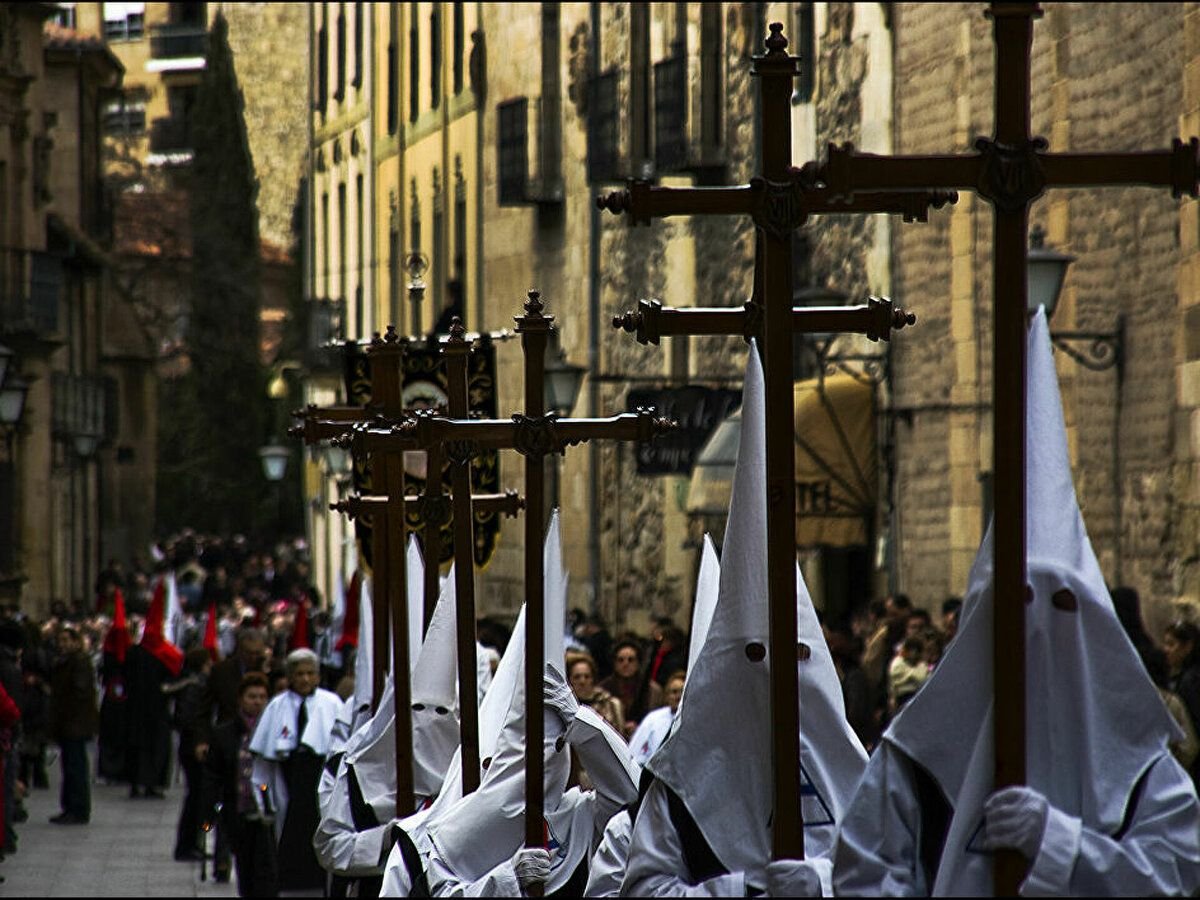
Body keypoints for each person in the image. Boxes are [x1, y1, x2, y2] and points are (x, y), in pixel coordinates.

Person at [833, 308, 1200, 896]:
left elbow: (1176, 875)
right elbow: (868, 875)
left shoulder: (1141, 770)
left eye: (1057, 607)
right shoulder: (914, 763)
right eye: (1016, 607)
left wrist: (1059, 844)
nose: (1034, 633)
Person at [623, 344, 867, 897]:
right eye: (755, 656)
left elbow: (896, 875)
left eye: (797, 657)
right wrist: (741, 891)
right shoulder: (680, 784)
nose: (777, 677)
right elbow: (642, 889)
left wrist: (823, 883)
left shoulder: (853, 772)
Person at [250, 647, 343, 893]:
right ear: (290, 676)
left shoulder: (331, 703)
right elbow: (263, 761)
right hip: (287, 778)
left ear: (318, 676)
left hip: (320, 777)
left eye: (310, 673)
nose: (304, 679)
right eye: (299, 674)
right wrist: (263, 800)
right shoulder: (276, 706)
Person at [204, 672, 276, 896]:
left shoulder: (274, 730)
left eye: (262, 697)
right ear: (241, 699)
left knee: (266, 869)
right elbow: (213, 775)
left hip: (267, 813)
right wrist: (210, 811)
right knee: (245, 868)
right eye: (251, 696)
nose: (257, 702)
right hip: (238, 812)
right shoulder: (223, 733)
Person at [125, 585, 183, 799]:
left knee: (140, 746)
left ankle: (138, 783)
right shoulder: (161, 656)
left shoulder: (135, 653)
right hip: (154, 709)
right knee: (151, 747)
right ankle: (150, 784)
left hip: (140, 709)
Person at [48, 626, 97, 825]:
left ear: (76, 642)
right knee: (70, 767)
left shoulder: (79, 662)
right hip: (68, 724)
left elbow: (79, 693)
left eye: (67, 640)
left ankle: (77, 809)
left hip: (74, 724)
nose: (63, 645)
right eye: (60, 641)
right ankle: (70, 807)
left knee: (76, 767)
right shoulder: (66, 662)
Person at [168, 647, 213, 861]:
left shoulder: (194, 683)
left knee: (198, 796)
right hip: (193, 749)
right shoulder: (195, 686)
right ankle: (187, 845)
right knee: (196, 796)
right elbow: (189, 718)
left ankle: (193, 843)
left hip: (191, 746)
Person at [599, 640, 663, 739]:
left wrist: (640, 728)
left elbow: (659, 720)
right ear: (614, 663)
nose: (625, 664)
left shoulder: (653, 690)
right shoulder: (603, 689)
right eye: (620, 660)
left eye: (631, 660)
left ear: (638, 663)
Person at [1164, 619, 1200, 785]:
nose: (1166, 650)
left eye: (1171, 644)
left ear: (1187, 647)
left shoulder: (1190, 681)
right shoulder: (1181, 676)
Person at [627, 670, 684, 767]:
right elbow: (634, 752)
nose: (678, 697)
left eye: (682, 692)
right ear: (667, 696)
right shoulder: (653, 718)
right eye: (674, 692)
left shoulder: (695, 721)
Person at [567, 652, 625, 737]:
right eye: (577, 677)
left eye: (587, 676)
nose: (582, 681)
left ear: (593, 679)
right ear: (570, 680)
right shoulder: (565, 707)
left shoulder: (611, 705)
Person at [886, 635, 928, 715]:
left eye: (917, 651)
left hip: (919, 700)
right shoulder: (897, 664)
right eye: (911, 650)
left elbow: (924, 679)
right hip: (902, 701)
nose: (914, 654)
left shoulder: (921, 665)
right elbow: (921, 678)